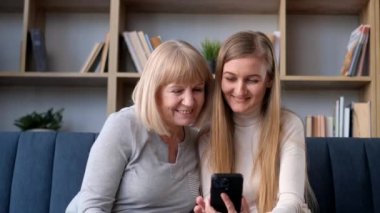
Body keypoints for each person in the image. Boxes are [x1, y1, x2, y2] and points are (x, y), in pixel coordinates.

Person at [66, 40, 213, 212]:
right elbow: (92, 205)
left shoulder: (197, 139)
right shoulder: (124, 126)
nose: (189, 102)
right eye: (177, 91)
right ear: (155, 91)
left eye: (197, 90)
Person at [194, 31, 315, 213]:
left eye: (252, 80)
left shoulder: (288, 125)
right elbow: (212, 200)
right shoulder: (207, 132)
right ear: (219, 79)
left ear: (269, 80)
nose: (240, 90)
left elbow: (291, 201)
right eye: (230, 78)